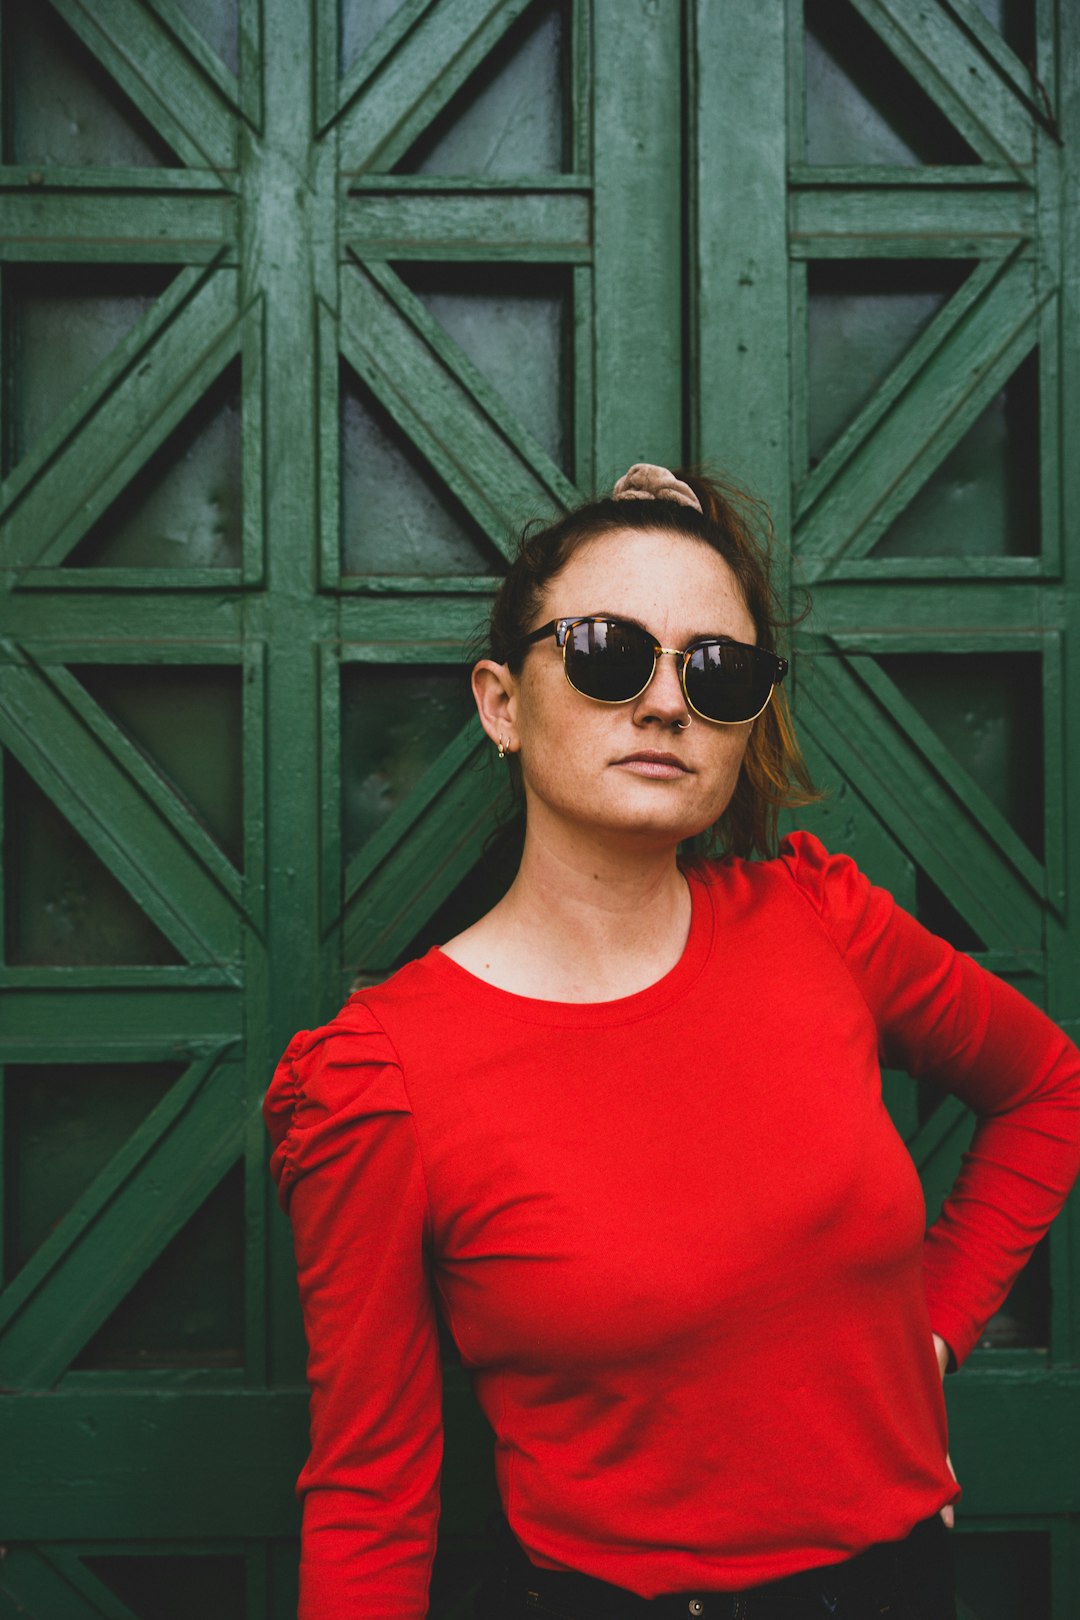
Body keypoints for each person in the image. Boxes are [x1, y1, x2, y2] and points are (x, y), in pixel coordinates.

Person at [264, 464, 1080, 1620]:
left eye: (717, 670)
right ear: (501, 702)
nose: (664, 705)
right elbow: (369, 1494)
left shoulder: (823, 925)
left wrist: (932, 1341)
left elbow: (1050, 1086)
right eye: (606, 652)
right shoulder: (381, 1078)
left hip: (904, 1581)